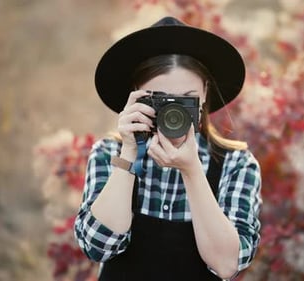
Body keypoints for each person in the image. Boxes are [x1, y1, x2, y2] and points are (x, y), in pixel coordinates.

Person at [74, 16, 262, 281]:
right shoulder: (109, 152)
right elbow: (97, 247)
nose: (172, 112)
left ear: (205, 92)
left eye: (185, 99)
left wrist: (192, 171)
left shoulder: (236, 164)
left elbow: (226, 265)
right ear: (136, 94)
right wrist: (128, 154)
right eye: (160, 99)